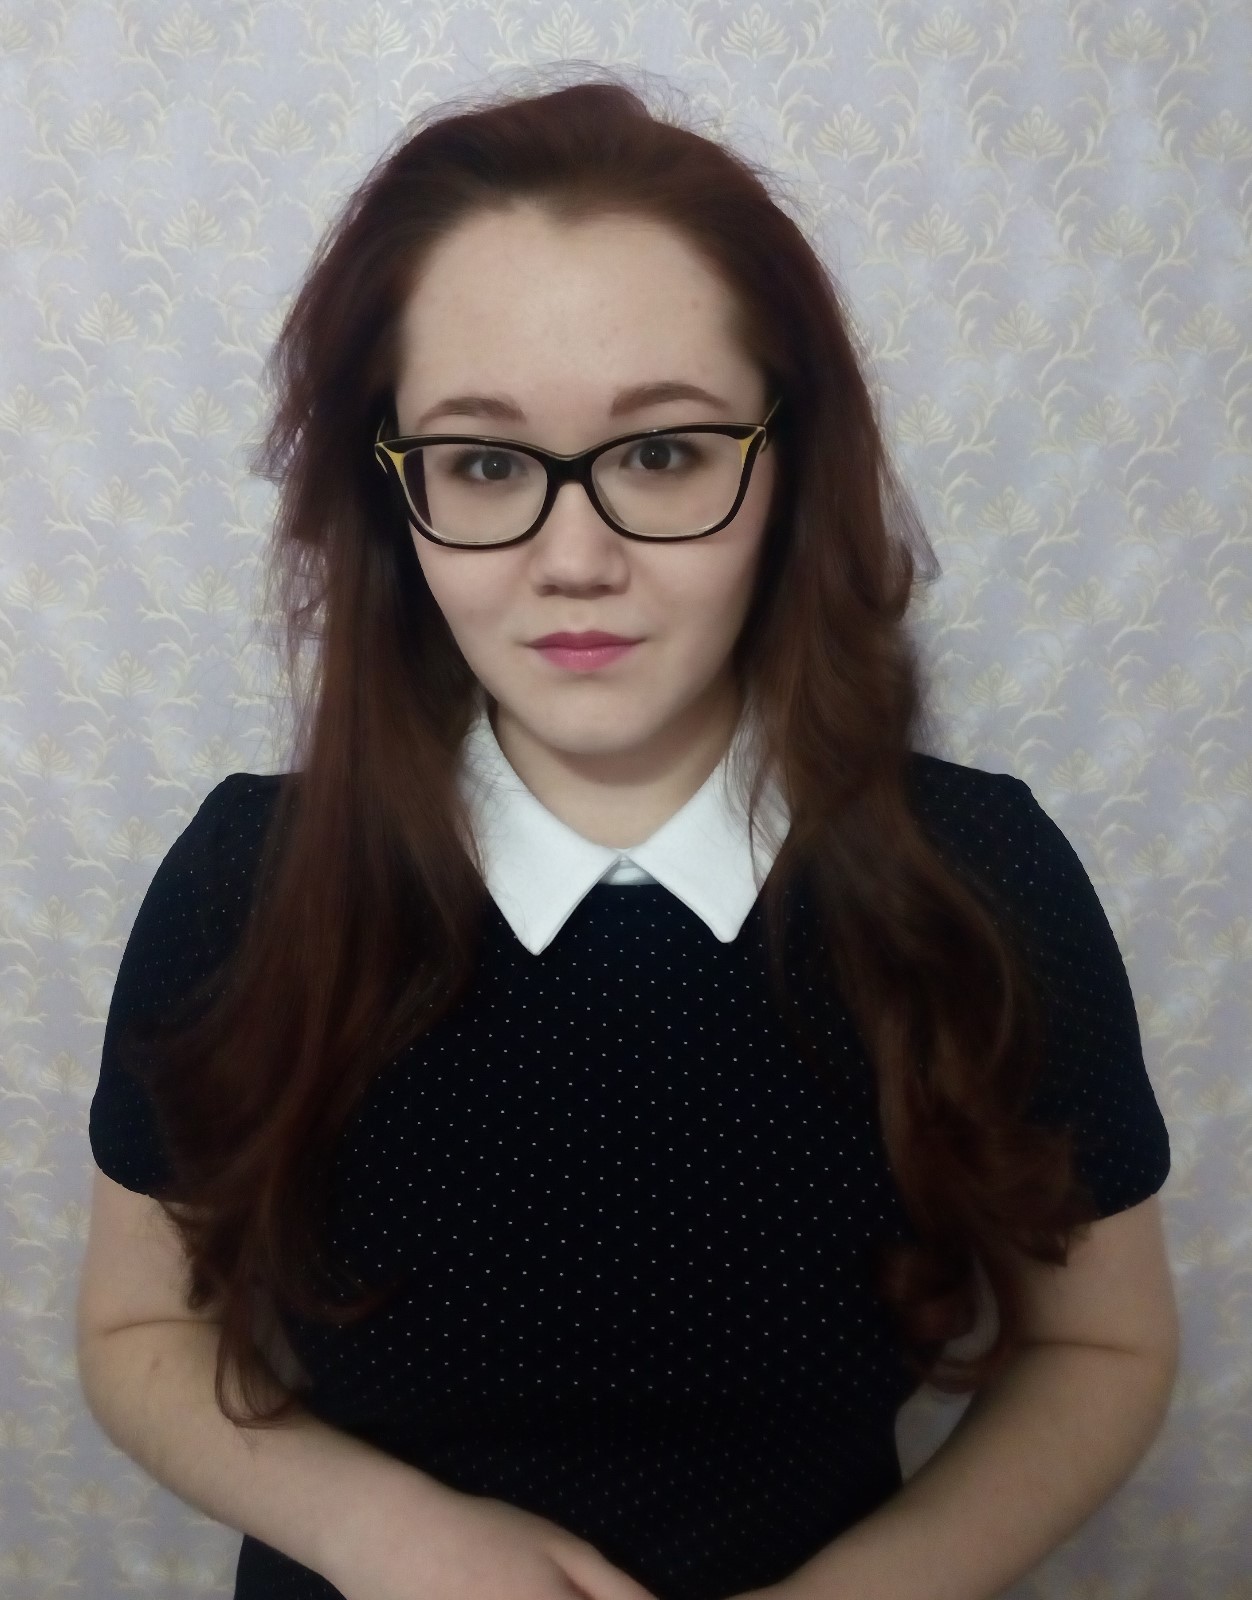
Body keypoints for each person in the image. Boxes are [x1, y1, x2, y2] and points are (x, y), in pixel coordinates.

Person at [76, 69, 1178, 1600]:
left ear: (784, 462)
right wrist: (378, 1532)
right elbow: (137, 1326)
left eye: (661, 453)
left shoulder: (982, 884)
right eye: (484, 464)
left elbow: (1104, 1344)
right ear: (392, 490)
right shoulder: (247, 886)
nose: (575, 558)